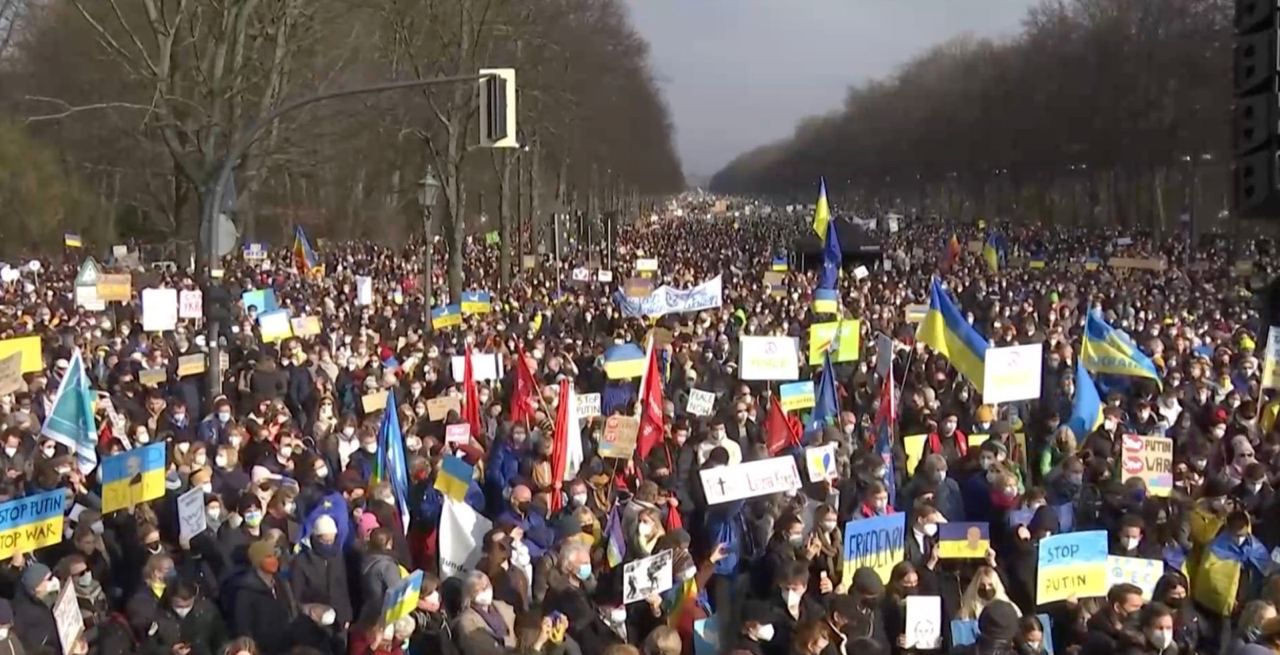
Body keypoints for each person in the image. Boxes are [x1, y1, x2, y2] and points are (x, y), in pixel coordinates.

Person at [227, 540, 297, 655]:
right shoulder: (245, 590)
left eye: (275, 556)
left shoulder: (281, 583)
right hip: (263, 649)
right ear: (258, 561)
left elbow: (291, 610)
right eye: (269, 557)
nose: (274, 560)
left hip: (286, 646)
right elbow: (243, 627)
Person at [290, 515, 353, 629]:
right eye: (325, 541)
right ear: (316, 538)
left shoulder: (337, 556)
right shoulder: (302, 561)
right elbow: (296, 594)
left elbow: (343, 587)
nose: (329, 544)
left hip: (339, 620)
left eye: (331, 541)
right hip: (314, 621)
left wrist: (346, 616)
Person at [454, 571, 517, 655]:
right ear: (469, 593)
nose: (485, 591)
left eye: (486, 586)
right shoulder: (467, 620)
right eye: (478, 590)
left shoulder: (503, 607)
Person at [12, 563, 60, 652]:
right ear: (37, 587)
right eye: (49, 579)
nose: (54, 580)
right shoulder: (29, 617)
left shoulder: (44, 599)